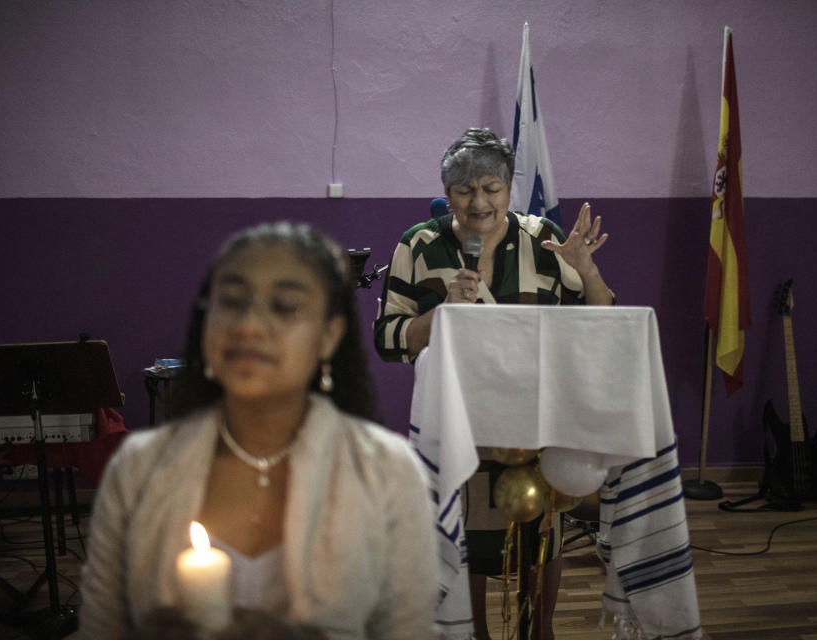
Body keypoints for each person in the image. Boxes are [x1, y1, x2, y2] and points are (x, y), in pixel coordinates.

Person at [79, 222, 439, 640]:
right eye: (231, 302)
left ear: (328, 335)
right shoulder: (138, 468)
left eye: (285, 305)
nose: (249, 325)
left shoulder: (388, 472)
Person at [373, 128, 614, 640]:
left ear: (508, 189)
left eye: (491, 188)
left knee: (539, 539)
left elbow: (602, 323)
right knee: (469, 538)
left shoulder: (541, 237)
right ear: (446, 191)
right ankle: (472, 633)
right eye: (465, 190)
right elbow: (387, 338)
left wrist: (587, 270)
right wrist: (440, 315)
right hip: (459, 420)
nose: (478, 201)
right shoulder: (419, 244)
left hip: (536, 420)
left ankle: (539, 631)